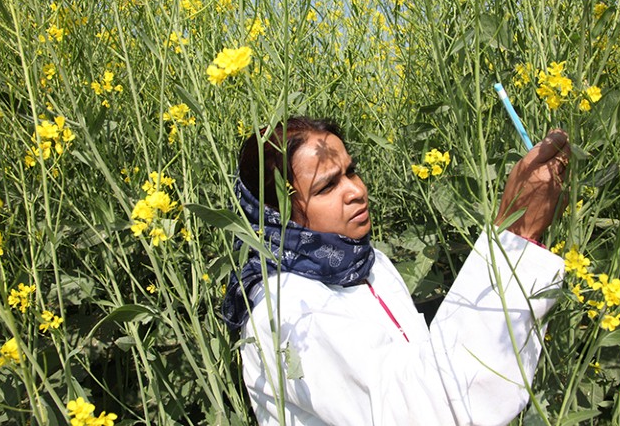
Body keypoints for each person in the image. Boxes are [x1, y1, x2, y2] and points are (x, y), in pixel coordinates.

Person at [222, 117, 570, 426]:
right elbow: (422, 410)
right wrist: (516, 232)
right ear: (273, 213)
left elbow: (419, 363)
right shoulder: (290, 313)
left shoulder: (364, 261)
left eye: (351, 171)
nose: (357, 191)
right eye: (328, 186)